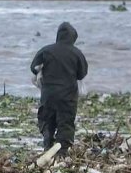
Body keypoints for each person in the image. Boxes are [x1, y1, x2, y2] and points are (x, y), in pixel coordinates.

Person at [30, 22, 88, 156]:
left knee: (47, 120)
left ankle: (47, 144)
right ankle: (62, 151)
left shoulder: (45, 51)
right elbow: (82, 74)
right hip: (67, 96)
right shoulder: (77, 53)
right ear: (73, 38)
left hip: (48, 94)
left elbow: (34, 67)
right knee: (65, 123)